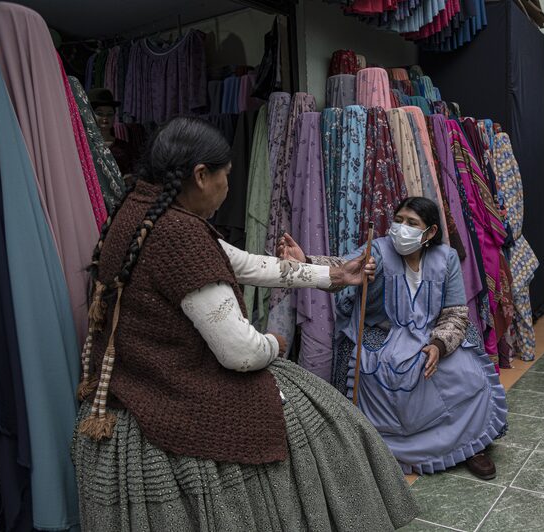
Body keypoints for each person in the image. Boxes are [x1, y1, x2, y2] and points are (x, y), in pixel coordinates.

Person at [71, 117, 418, 530]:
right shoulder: (179, 234)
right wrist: (274, 341)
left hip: (138, 382)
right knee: (330, 426)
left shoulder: (142, 210)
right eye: (226, 177)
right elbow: (241, 353)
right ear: (201, 176)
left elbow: (240, 262)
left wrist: (333, 275)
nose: (228, 189)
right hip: (173, 392)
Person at [277, 197, 508, 481]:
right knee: (385, 370)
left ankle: (469, 445)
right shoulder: (379, 249)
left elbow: (456, 313)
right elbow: (342, 266)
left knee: (463, 371)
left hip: (434, 333)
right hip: (385, 334)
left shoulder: (446, 259)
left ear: (430, 232)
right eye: (398, 220)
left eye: (412, 223)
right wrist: (307, 262)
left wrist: (437, 346)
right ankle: (383, 449)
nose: (401, 228)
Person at [88, 88, 138, 180]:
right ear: (90, 115)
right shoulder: (84, 146)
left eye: (109, 114)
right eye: (100, 113)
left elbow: (135, 171)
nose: (105, 118)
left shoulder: (124, 147)